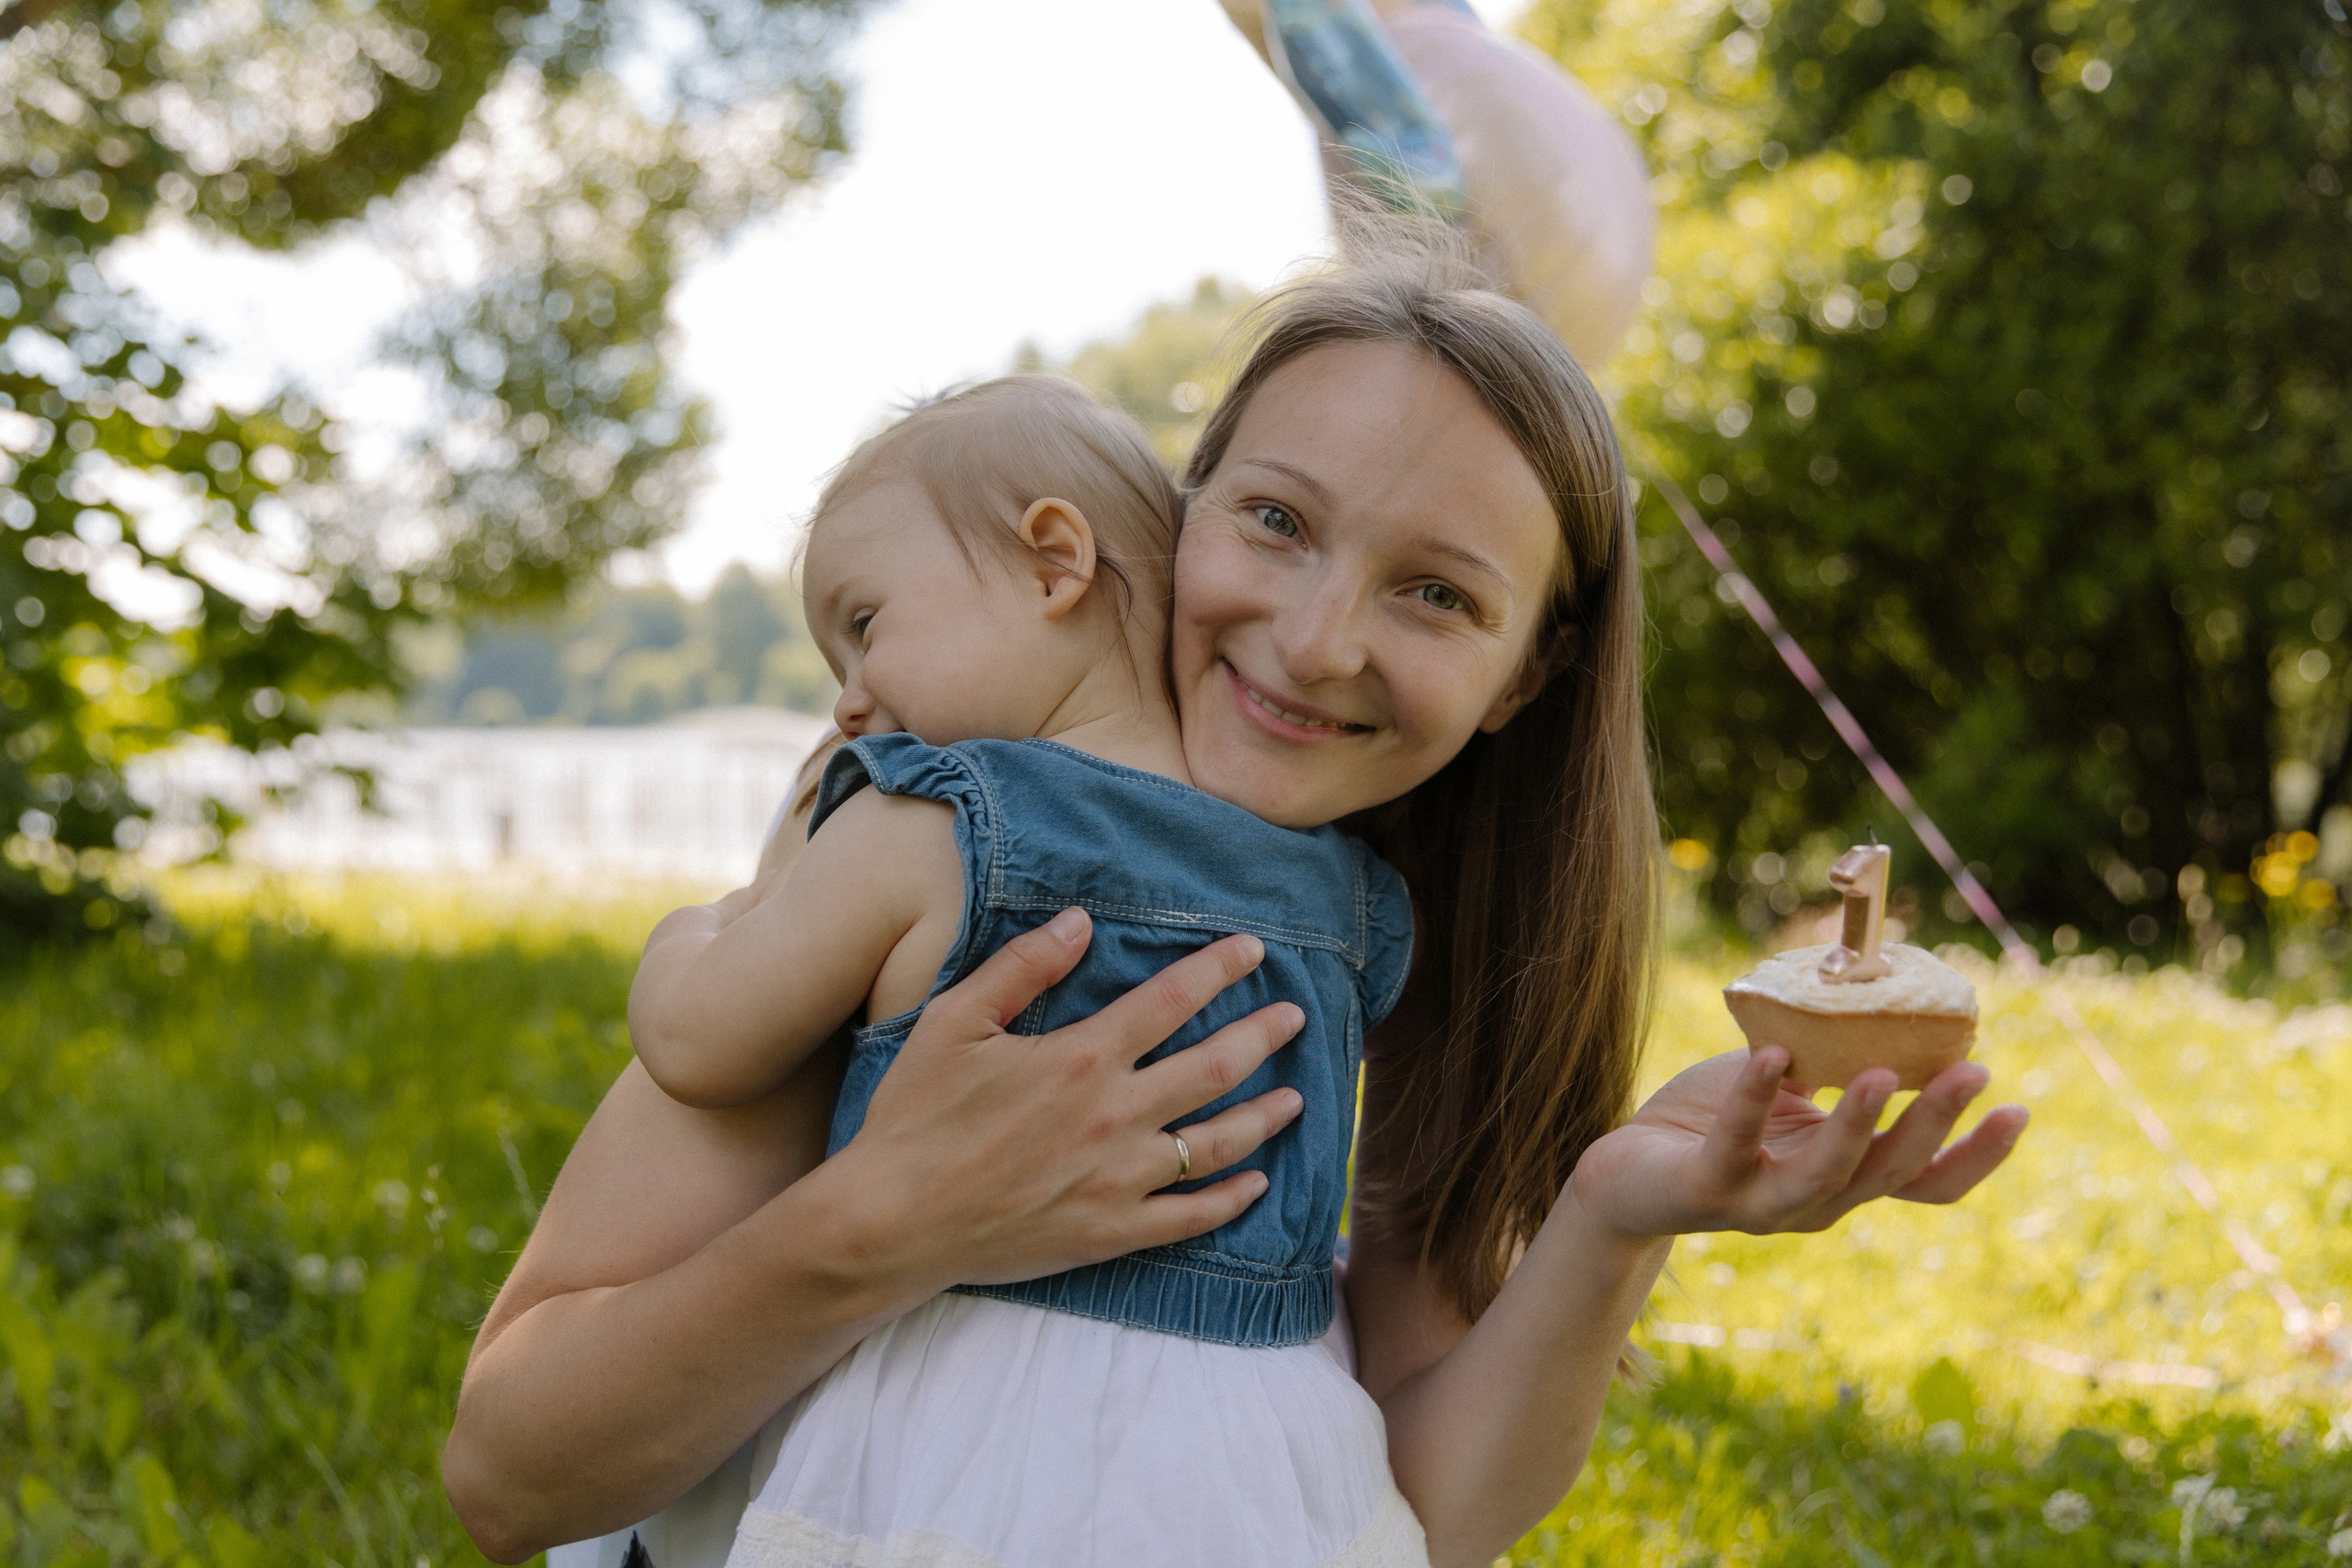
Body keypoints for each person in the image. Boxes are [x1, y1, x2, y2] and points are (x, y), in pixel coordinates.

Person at [444, 228, 2029, 1568]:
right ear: (1170, 515)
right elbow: (510, 1475)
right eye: (1274, 519)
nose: (1317, 638)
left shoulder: (1382, 933)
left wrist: (1615, 1218)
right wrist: (892, 1219)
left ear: (1519, 678)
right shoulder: (935, 834)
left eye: (1436, 593)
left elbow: (1427, 1509)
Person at [628, 370, 1425, 1562]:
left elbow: (698, 1045)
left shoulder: (932, 828)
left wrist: (710, 921)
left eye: (863, 625)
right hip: (1257, 1472)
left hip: (962, 1445)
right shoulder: (1351, 895)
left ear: (1056, 561)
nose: (847, 701)